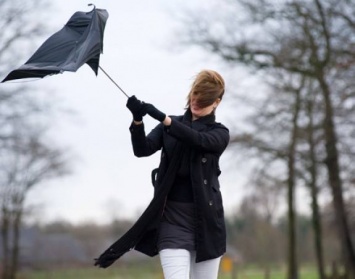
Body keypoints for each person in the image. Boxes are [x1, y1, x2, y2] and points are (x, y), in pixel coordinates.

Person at [94, 69, 230, 279]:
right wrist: (137, 120)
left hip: (207, 224)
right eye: (195, 96)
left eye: (204, 101)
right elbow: (142, 150)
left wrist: (165, 119)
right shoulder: (169, 127)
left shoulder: (219, 133)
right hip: (172, 222)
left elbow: (198, 140)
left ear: (216, 103)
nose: (196, 102)